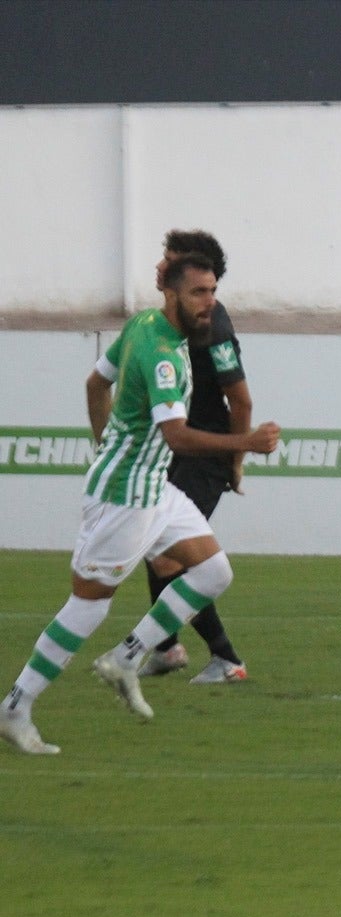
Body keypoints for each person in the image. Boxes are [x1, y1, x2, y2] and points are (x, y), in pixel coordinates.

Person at [1, 253, 280, 756]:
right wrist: (245, 444)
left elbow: (95, 384)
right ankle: (16, 707)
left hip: (155, 489)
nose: (209, 302)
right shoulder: (163, 354)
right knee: (87, 606)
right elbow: (177, 437)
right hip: (125, 499)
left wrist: (105, 442)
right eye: (198, 292)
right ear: (171, 293)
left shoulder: (144, 326)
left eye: (213, 291)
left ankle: (127, 657)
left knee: (213, 571)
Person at [138, 230, 253, 684]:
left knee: (171, 555)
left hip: (206, 453)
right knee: (155, 546)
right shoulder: (164, 322)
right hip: (180, 448)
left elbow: (240, 400)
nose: (161, 268)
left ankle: (226, 659)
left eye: (169, 262)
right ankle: (166, 649)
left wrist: (236, 460)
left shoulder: (213, 329)